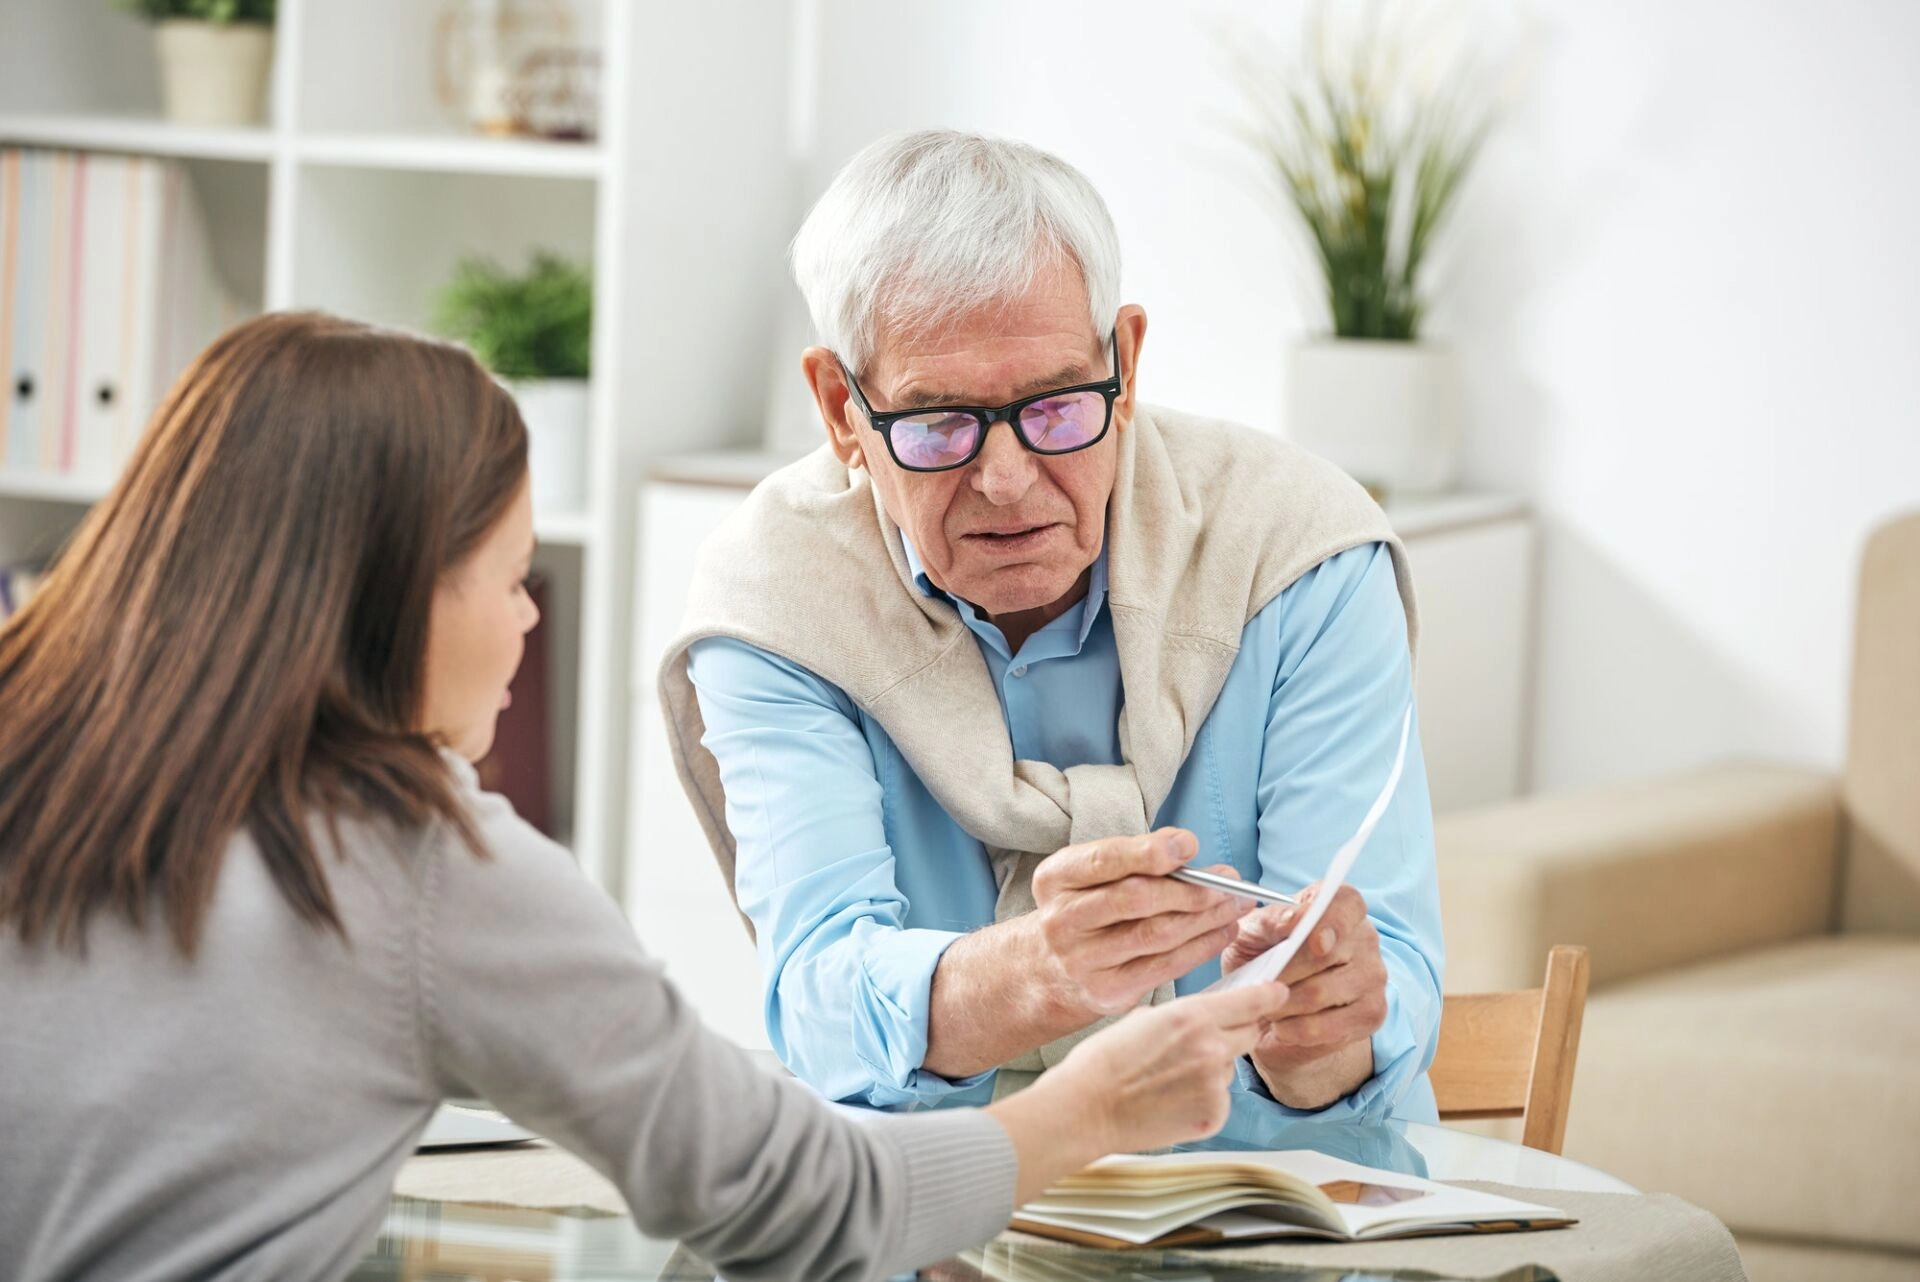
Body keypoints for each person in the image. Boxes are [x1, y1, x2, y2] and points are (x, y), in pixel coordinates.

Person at [0, 312, 1292, 1282]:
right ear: (388, 596)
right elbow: (800, 1204)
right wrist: (1092, 1104)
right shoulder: (415, 863)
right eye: (510, 578)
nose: (524, 627)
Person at [660, 129, 1445, 1137]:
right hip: (930, 1221)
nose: (1007, 479)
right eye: (939, 423)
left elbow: (1388, 980)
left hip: (1282, 1214)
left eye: (1057, 408)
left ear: (1124, 362)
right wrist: (1036, 971)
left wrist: (1319, 1034)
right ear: (838, 409)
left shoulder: (1301, 551)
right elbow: (820, 999)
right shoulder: (777, 594)